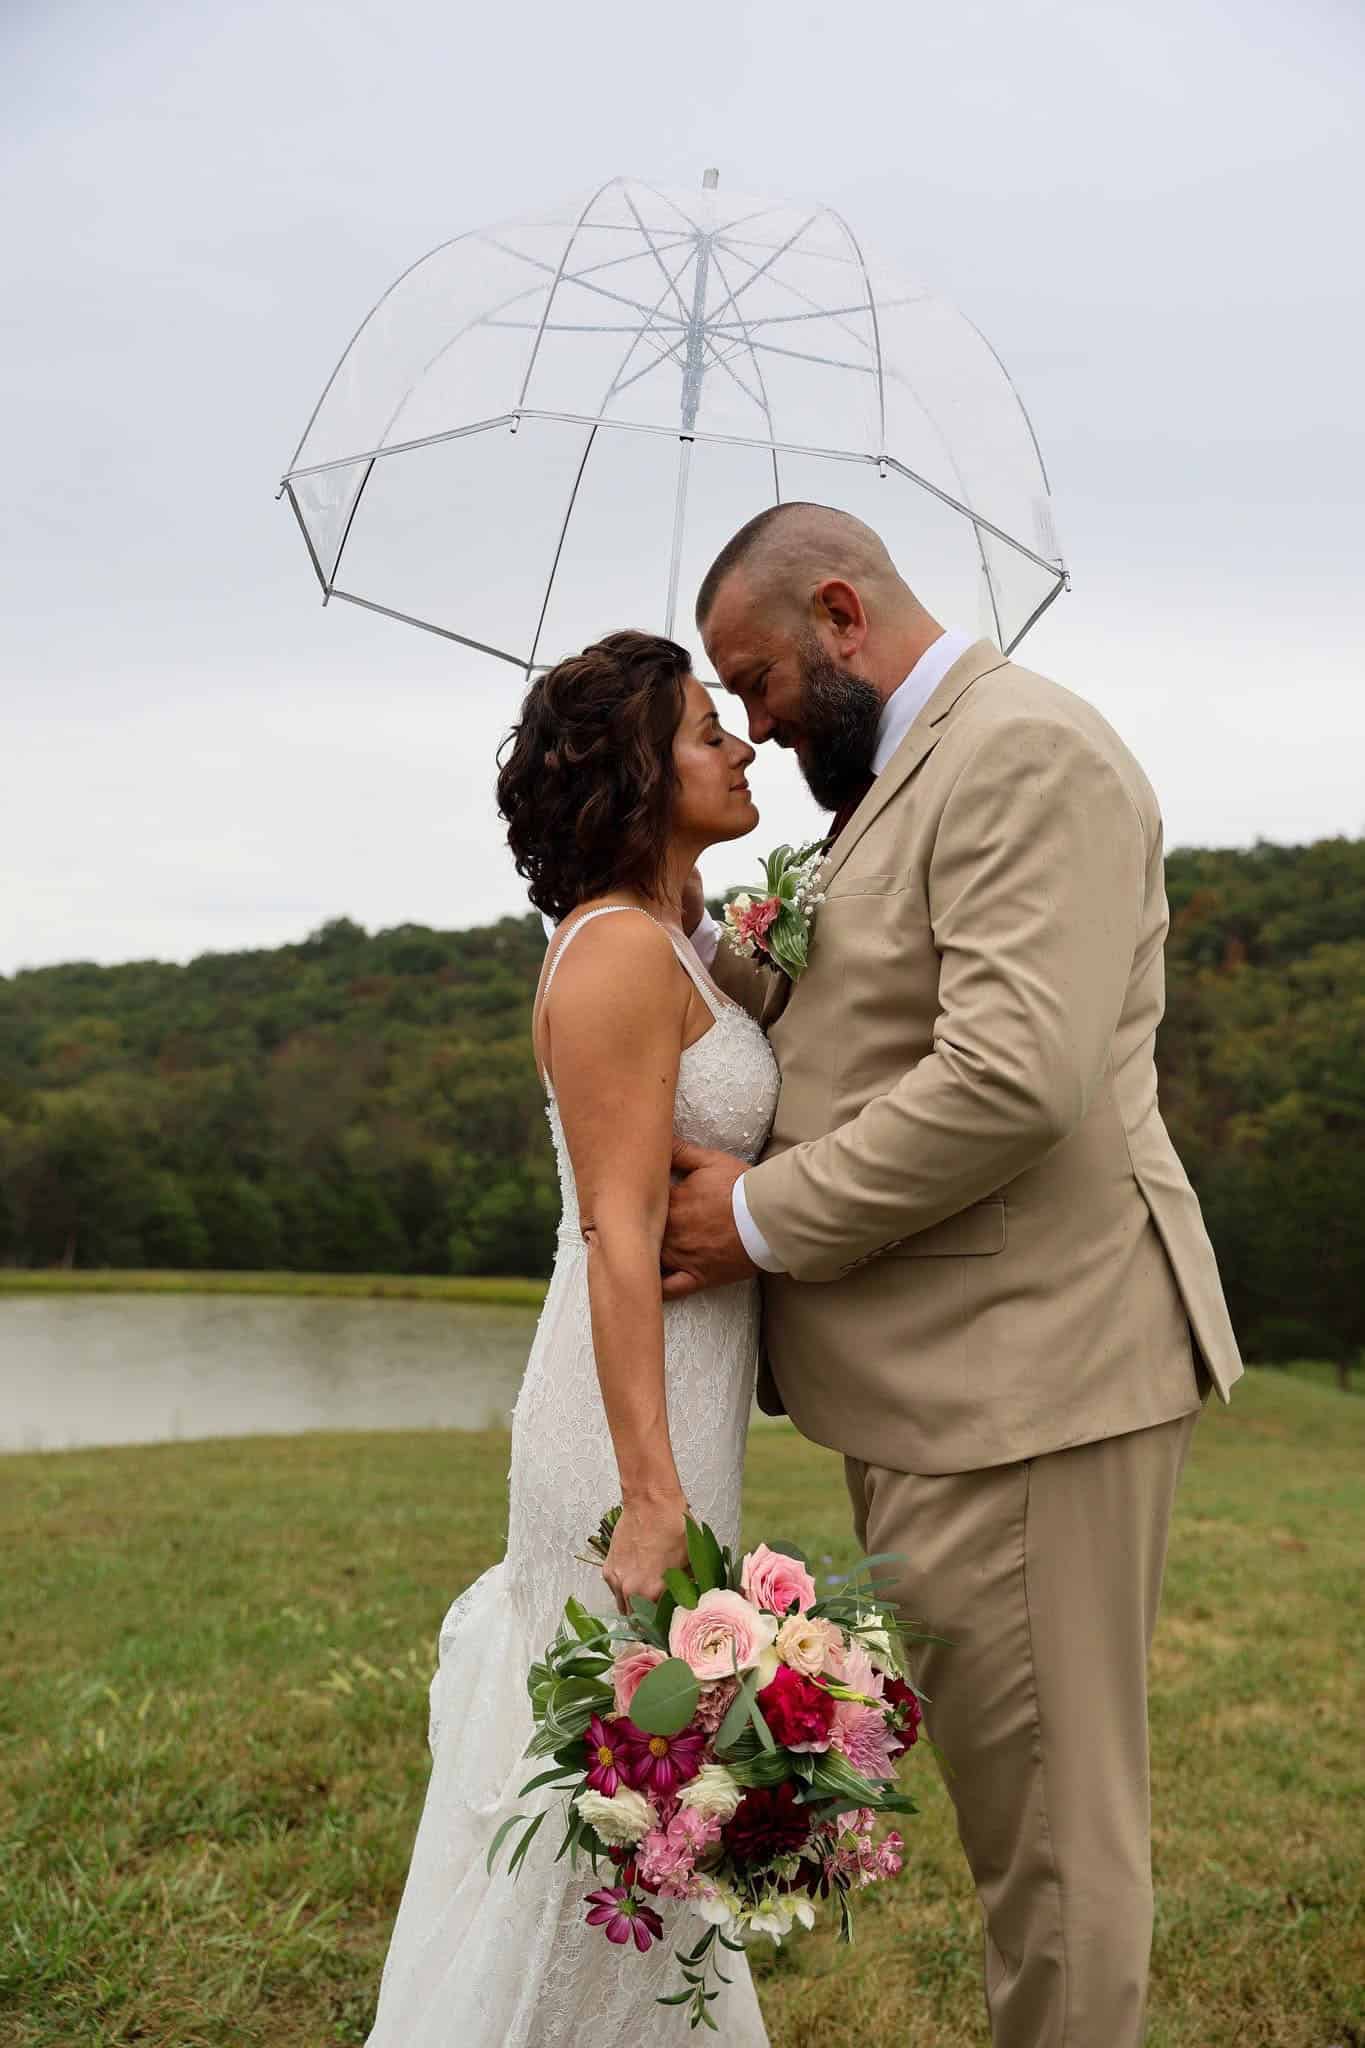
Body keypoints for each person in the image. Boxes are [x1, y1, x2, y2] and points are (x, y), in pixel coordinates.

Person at [662, 502, 1244, 2048]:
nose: (762, 729)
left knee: (1052, 1841)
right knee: (1021, 1825)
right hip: (947, 1380)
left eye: (764, 682)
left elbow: (1008, 1077)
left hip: (1031, 1378)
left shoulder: (1023, 755)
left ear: (840, 616)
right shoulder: (888, 785)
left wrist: (763, 1220)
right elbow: (871, 1017)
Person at [364, 630, 774, 2046]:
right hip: (620, 1431)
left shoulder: (675, 939)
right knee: (603, 1799)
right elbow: (612, 1231)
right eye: (705, 731)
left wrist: (743, 930)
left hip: (688, 1399)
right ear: (635, 774)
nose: (741, 748)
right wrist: (652, 1494)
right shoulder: (608, 956)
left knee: (659, 1798)